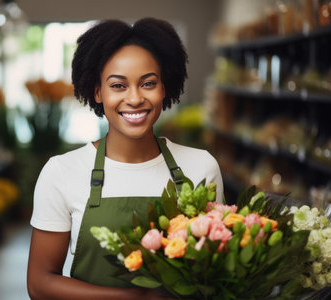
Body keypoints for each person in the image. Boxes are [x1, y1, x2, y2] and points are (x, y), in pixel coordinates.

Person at [27, 18, 224, 299]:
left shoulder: (202, 166)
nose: (134, 99)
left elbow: (218, 271)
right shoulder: (62, 172)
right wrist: (137, 298)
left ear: (164, 88)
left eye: (148, 83)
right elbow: (40, 284)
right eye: (118, 86)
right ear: (98, 92)